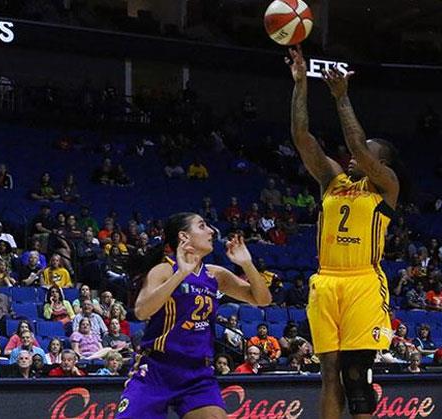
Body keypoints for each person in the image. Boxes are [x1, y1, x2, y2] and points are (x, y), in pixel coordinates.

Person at [288, 45, 401, 418]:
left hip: (363, 280)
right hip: (326, 280)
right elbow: (301, 136)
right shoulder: (332, 180)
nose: (356, 154)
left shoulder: (386, 186)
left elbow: (356, 144)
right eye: (358, 151)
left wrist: (341, 98)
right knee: (329, 374)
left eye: (367, 152)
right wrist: (301, 84)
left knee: (356, 374)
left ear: (380, 163)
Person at [116, 212, 271, 419]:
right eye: (202, 226)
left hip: (198, 373)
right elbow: (142, 311)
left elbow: (263, 299)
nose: (211, 231)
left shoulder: (214, 274)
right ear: (184, 236)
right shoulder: (164, 270)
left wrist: (247, 264)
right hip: (157, 368)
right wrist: (181, 274)